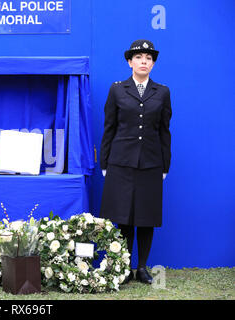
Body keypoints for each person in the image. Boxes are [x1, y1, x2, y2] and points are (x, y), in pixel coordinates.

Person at [99, 40, 172, 284]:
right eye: (139, 57)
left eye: (148, 58)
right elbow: (109, 127)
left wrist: (165, 165)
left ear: (153, 64)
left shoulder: (162, 92)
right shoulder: (117, 89)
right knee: (124, 216)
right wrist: (104, 162)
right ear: (130, 62)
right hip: (121, 162)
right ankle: (124, 267)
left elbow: (164, 130)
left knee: (146, 216)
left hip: (151, 163)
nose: (144, 61)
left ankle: (142, 268)